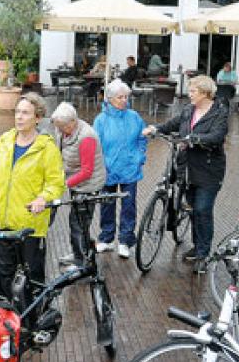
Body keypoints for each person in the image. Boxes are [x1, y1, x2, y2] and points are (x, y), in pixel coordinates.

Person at [0, 93, 65, 298]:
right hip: (2, 221)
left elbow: (56, 183)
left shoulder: (47, 148)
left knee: (32, 278)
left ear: (38, 117)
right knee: (2, 276)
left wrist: (43, 198)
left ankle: (32, 316)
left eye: (25, 113)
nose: (19, 117)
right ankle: (2, 314)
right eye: (17, 112)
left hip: (30, 225)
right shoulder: (5, 142)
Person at [143, 75, 229, 272]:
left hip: (208, 171)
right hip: (187, 168)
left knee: (202, 210)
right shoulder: (189, 110)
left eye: (193, 91)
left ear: (205, 93)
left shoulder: (219, 113)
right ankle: (197, 246)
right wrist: (156, 128)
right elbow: (172, 124)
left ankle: (203, 254)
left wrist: (194, 138)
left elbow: (217, 136)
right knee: (192, 209)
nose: (189, 94)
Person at [93, 79, 147, 258]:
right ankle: (106, 238)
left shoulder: (134, 117)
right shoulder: (101, 120)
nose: (124, 100)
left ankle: (125, 241)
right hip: (107, 169)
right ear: (110, 99)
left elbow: (142, 138)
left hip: (130, 168)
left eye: (126, 97)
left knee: (128, 207)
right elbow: (95, 145)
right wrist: (100, 165)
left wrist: (139, 156)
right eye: (120, 97)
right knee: (107, 205)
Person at [50, 102, 106, 270]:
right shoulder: (63, 130)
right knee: (77, 222)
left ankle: (82, 262)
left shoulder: (87, 137)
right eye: (58, 126)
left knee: (79, 224)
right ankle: (78, 253)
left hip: (88, 186)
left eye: (63, 126)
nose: (60, 130)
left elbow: (87, 171)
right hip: (75, 182)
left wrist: (63, 184)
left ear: (73, 122)